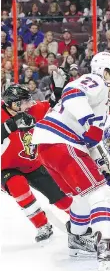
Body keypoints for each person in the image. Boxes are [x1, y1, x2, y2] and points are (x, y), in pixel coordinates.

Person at [32, 52, 110, 271]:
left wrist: (105, 165)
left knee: (81, 196)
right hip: (62, 142)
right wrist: (91, 123)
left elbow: (91, 143)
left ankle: (77, 239)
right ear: (105, 71)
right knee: (100, 195)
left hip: (51, 146)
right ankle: (106, 249)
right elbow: (71, 91)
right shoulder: (96, 81)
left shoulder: (102, 101)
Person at [1, 83, 73, 243]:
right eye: (24, 101)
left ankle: (82, 220)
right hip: (6, 167)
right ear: (14, 103)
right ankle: (42, 224)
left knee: (59, 196)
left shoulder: (32, 110)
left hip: (34, 163)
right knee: (18, 187)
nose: (29, 104)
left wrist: (59, 89)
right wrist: (10, 126)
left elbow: (53, 104)